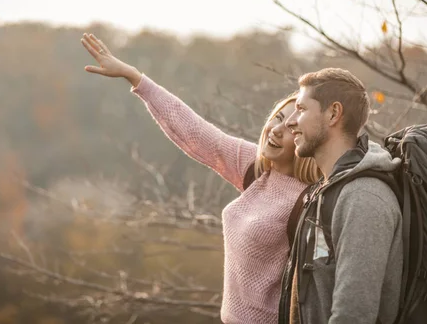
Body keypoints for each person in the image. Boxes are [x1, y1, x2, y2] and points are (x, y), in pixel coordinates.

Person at [80, 33, 321, 324]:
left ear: (306, 140)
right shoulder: (257, 168)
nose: (277, 129)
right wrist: (136, 79)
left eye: (291, 126)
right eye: (278, 117)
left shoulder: (312, 198)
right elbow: (194, 132)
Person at [280, 68, 404, 324]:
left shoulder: (364, 197)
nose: (290, 121)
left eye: (301, 109)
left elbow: (354, 315)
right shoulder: (325, 190)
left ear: (333, 113)